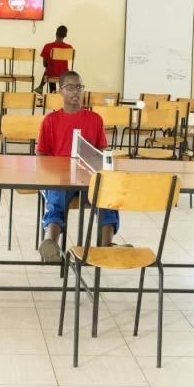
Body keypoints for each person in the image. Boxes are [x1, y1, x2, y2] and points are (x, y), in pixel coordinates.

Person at [36, 71, 127, 262]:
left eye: (78, 87)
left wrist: (104, 160)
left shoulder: (94, 119)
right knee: (56, 200)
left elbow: (102, 148)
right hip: (60, 179)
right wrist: (52, 174)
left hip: (87, 177)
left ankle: (106, 246)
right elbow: (41, 155)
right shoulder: (50, 121)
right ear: (60, 91)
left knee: (107, 197)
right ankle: (51, 244)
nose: (75, 91)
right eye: (69, 87)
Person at [34, 25, 73, 96]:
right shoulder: (69, 48)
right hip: (64, 74)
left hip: (51, 73)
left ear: (56, 33)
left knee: (49, 68)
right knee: (52, 69)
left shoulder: (48, 46)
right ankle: (62, 93)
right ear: (65, 36)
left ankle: (47, 89)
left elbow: (44, 64)